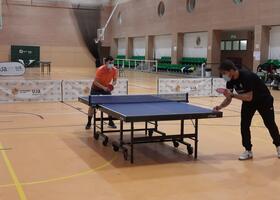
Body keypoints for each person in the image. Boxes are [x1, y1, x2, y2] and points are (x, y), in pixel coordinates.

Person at [214, 59, 280, 160]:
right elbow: (229, 98)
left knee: (269, 123)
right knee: (244, 125)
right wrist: (220, 106)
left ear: (231, 70)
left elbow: (249, 96)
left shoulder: (247, 76)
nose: (224, 75)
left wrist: (233, 95)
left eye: (224, 73)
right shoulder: (230, 82)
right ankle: (248, 150)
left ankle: (279, 146)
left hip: (264, 101)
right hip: (249, 103)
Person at [86, 56, 118, 130]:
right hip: (96, 88)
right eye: (110, 62)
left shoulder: (115, 70)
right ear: (105, 63)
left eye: (113, 63)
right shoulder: (100, 70)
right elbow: (95, 82)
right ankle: (89, 122)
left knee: (110, 105)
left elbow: (115, 80)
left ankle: (110, 121)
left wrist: (111, 85)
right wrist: (104, 88)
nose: (112, 64)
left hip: (106, 89)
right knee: (92, 106)